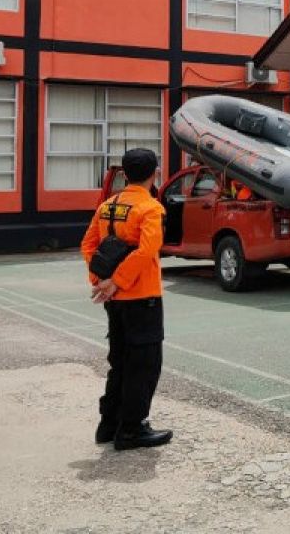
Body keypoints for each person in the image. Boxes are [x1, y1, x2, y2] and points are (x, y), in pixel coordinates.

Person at [81, 148, 173, 451]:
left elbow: (89, 244)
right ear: (154, 173)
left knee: (119, 360)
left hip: (114, 299)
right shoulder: (150, 208)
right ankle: (132, 429)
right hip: (142, 296)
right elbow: (147, 251)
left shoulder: (108, 205)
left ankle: (109, 424)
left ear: (124, 174)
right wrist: (118, 281)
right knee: (144, 363)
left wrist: (102, 281)